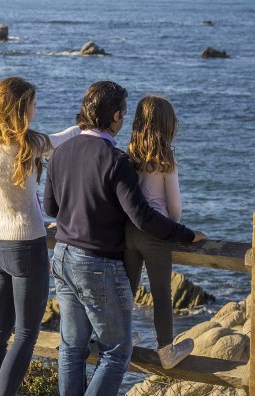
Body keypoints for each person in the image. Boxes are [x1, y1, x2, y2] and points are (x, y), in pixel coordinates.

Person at [44, 81, 206, 395]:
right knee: (116, 352)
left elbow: (52, 207)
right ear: (116, 116)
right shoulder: (115, 160)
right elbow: (143, 217)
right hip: (95, 262)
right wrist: (186, 235)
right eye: (123, 114)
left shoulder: (61, 151)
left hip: (62, 255)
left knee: (72, 348)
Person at [0, 77, 57, 396]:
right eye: (33, 103)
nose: (36, 108)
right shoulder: (29, 143)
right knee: (28, 333)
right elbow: (63, 140)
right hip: (28, 244)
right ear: (21, 108)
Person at [0, 121, 80, 308]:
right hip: (24, 239)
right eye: (33, 104)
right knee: (27, 328)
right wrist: (84, 127)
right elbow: (59, 139)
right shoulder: (28, 143)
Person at [123, 95, 194, 369]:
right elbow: (174, 205)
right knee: (162, 292)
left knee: (127, 289)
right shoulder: (166, 159)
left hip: (129, 230)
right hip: (156, 233)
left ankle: (123, 341)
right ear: (167, 125)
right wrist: (174, 226)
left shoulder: (130, 153)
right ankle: (166, 350)